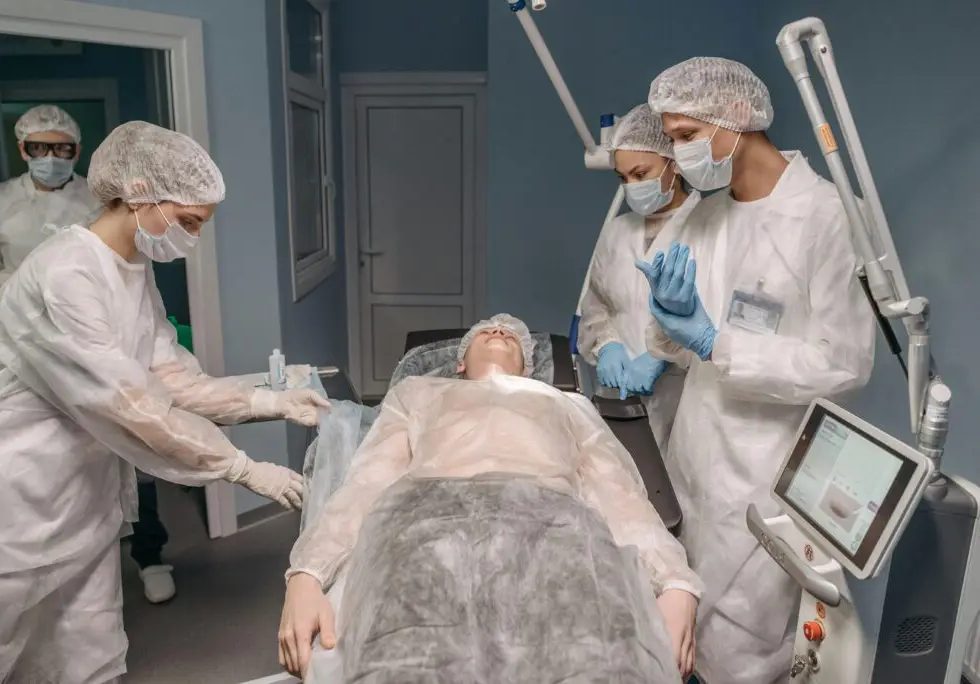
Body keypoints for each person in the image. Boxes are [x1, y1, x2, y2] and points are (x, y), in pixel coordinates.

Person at [0, 121, 330, 684]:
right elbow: (125, 402)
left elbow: (171, 377)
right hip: (7, 497)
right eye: (186, 222)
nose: (191, 239)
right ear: (137, 191)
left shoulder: (133, 270)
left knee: (91, 655)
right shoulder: (65, 273)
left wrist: (265, 401)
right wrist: (241, 467)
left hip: (81, 492)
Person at [278, 314, 703, 684]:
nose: (499, 327)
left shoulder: (564, 402)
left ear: (529, 369)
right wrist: (307, 573)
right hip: (423, 529)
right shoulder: (418, 394)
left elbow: (618, 493)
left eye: (510, 334)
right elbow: (368, 482)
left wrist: (675, 582)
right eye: (485, 331)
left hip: (553, 531)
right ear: (459, 363)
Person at [633, 57, 876, 683]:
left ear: (738, 116)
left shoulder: (824, 214)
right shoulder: (702, 214)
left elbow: (843, 361)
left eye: (686, 135)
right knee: (678, 628)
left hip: (766, 476)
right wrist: (671, 320)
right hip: (691, 453)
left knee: (745, 652)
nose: (679, 154)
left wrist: (718, 343)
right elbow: (672, 339)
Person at [578, 103, 701, 450]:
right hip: (616, 397)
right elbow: (597, 304)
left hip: (684, 398)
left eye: (641, 174)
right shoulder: (617, 231)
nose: (631, 186)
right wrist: (607, 345)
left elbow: (720, 321)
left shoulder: (709, 227)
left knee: (675, 490)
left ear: (673, 164)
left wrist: (663, 356)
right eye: (623, 177)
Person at [0, 104, 101, 304]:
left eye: (62, 149)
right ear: (22, 149)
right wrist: (32, 292)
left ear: (77, 151)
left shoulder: (100, 200)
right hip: (19, 325)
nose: (50, 158)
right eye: (38, 148)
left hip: (87, 315)